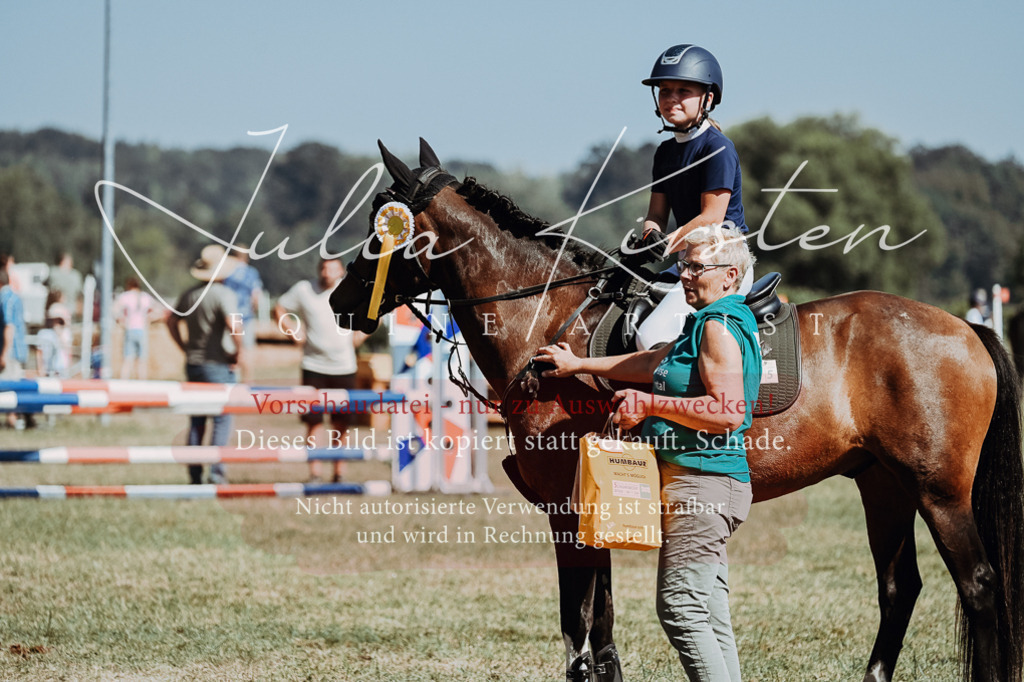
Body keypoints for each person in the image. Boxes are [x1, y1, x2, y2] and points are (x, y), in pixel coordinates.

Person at [536, 226, 761, 682]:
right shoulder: (710, 321)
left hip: (704, 484)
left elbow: (728, 412)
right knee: (709, 613)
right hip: (706, 484)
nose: (685, 275)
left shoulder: (717, 327)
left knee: (679, 606)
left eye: (697, 267)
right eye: (685, 265)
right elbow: (652, 362)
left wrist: (650, 404)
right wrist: (579, 364)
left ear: (729, 275)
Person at [634, 44, 754, 351]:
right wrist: (649, 236)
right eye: (665, 90)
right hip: (688, 262)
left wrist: (665, 245)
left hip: (720, 264)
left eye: (683, 90)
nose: (671, 98)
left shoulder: (718, 148)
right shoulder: (665, 152)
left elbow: (711, 219)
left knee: (649, 336)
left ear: (708, 98)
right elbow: (657, 215)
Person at [275, 257, 367, 483]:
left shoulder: (351, 290)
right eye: (324, 268)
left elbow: (375, 312)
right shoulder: (304, 289)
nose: (328, 272)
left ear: (341, 271)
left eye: (333, 268)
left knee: (341, 425)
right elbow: (279, 307)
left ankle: (339, 473)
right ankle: (315, 473)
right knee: (314, 423)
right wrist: (293, 332)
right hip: (313, 366)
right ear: (319, 270)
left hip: (344, 367)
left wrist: (360, 336)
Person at [166, 245, 244, 484]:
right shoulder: (224, 295)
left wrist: (184, 347)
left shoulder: (190, 294)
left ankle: (194, 472)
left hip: (194, 363)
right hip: (218, 364)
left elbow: (170, 321)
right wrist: (237, 354)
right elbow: (235, 326)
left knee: (197, 421)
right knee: (221, 419)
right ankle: (217, 473)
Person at [222, 245, 264, 384]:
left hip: (231, 317)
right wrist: (253, 310)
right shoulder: (252, 272)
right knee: (248, 350)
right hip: (246, 316)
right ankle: (248, 381)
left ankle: (232, 381)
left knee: (231, 349)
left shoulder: (227, 271)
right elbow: (256, 296)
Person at [1, 267, 28, 428]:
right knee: (15, 386)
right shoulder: (15, 296)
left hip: (10, 351)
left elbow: (8, 327)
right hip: (19, 349)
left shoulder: (5, 298)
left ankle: (12, 420)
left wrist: (4, 353)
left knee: (8, 387)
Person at [115, 277, 157, 379]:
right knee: (141, 361)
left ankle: (123, 384)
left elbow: (115, 310)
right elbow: (156, 310)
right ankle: (142, 384)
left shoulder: (125, 296)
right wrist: (148, 319)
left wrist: (122, 321)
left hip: (130, 329)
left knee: (127, 360)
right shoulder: (145, 297)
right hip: (142, 330)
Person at [35, 304, 71, 378]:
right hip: (47, 370)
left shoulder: (66, 333)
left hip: (61, 371)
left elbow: (68, 351)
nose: (57, 323)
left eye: (59, 321)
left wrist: (59, 335)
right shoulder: (44, 333)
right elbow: (39, 352)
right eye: (55, 320)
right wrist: (40, 369)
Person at [47, 251, 83, 320]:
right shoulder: (76, 276)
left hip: (55, 311)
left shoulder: (52, 273)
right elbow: (79, 297)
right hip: (71, 312)